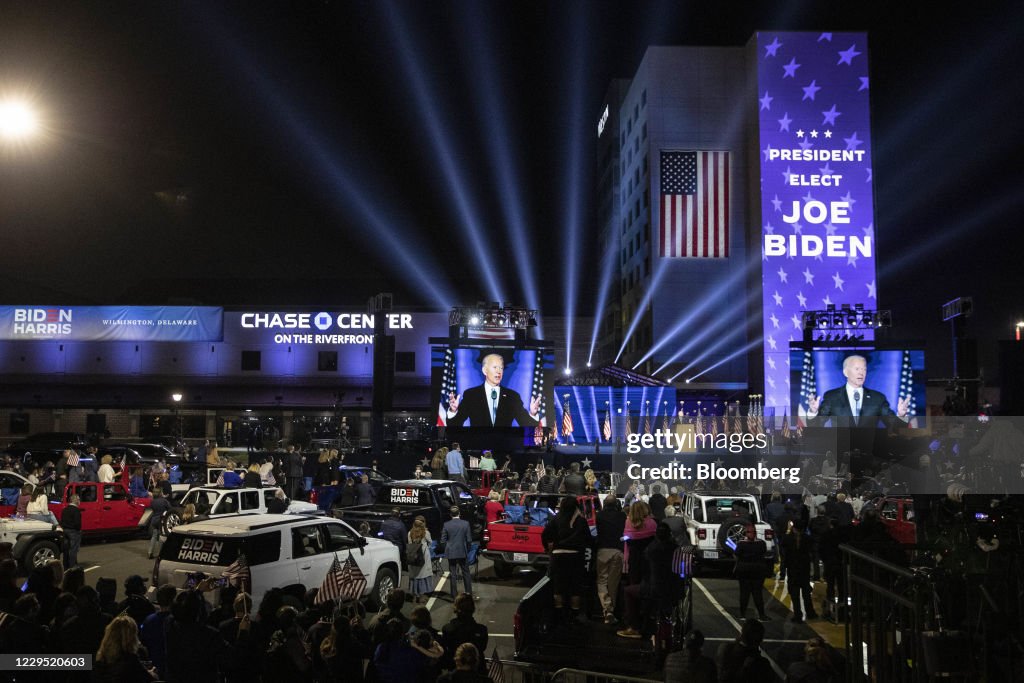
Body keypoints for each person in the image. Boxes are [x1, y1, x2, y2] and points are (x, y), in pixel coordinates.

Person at [807, 354, 910, 426]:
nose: (861, 373)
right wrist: (813, 412)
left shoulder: (878, 398)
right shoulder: (832, 396)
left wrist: (901, 415)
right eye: (857, 369)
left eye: (864, 369)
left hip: (869, 453)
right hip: (841, 453)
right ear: (846, 372)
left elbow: (894, 426)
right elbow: (816, 426)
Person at [446, 351, 541, 428]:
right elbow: (454, 425)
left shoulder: (512, 397)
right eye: (495, 367)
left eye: (501, 368)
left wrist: (533, 413)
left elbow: (527, 425)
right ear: (484, 371)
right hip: (478, 448)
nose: (499, 371)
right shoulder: (471, 395)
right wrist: (453, 411)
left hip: (504, 449)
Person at [542, 495, 591, 619]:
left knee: (558, 588)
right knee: (575, 588)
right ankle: (574, 615)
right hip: (575, 556)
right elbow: (588, 538)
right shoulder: (580, 520)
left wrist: (547, 548)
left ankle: (559, 614)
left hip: (558, 556)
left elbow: (545, 534)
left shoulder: (556, 518)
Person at [93, 614, 158, 682]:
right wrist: (152, 673)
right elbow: (148, 679)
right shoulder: (131, 660)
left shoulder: (100, 659)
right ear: (132, 637)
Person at [596, 493, 627, 624]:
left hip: (602, 550)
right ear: (616, 504)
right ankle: (611, 610)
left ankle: (606, 608)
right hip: (617, 550)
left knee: (602, 580)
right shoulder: (622, 516)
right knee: (613, 583)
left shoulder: (599, 516)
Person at [440, 594, 489, 673]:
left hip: (455, 670)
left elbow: (445, 651)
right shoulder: (482, 630)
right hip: (478, 671)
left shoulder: (448, 629)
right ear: (472, 608)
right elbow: (482, 648)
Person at [734, 525, 771, 622]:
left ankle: (742, 614)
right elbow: (764, 552)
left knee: (744, 593)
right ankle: (762, 615)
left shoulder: (742, 544)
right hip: (758, 571)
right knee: (757, 593)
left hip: (744, 571)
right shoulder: (761, 543)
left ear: (746, 533)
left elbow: (737, 554)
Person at [782, 521, 817, 623]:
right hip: (804, 569)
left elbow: (783, 548)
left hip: (792, 569)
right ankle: (810, 612)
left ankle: (797, 614)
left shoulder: (788, 538)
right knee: (806, 593)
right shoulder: (807, 539)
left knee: (794, 594)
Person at [441, 506, 473, 598]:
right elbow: (469, 540)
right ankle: (468, 593)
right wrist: (467, 549)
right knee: (466, 572)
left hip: (451, 552)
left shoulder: (446, 524)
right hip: (462, 551)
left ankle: (454, 595)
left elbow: (443, 541)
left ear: (450, 514)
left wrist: (446, 549)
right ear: (459, 513)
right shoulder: (465, 524)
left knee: (453, 573)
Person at [407, 518, 434, 602]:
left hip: (413, 557)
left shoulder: (410, 533)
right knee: (423, 575)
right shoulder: (425, 533)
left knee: (415, 575)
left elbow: (409, 543)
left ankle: (415, 595)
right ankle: (422, 596)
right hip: (423, 557)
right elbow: (430, 542)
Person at [148, 488, 171, 559]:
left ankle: (150, 552)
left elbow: (152, 509)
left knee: (154, 536)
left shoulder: (152, 501)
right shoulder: (164, 501)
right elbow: (170, 508)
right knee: (161, 536)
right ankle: (159, 554)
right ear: (160, 493)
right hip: (161, 520)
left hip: (154, 520)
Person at [61, 494, 82, 568]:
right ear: (76, 501)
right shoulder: (76, 510)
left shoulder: (65, 509)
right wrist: (79, 530)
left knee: (66, 549)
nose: (80, 501)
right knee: (73, 549)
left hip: (65, 531)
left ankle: (65, 565)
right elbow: (77, 523)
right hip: (73, 532)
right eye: (79, 500)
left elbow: (62, 521)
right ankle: (72, 566)